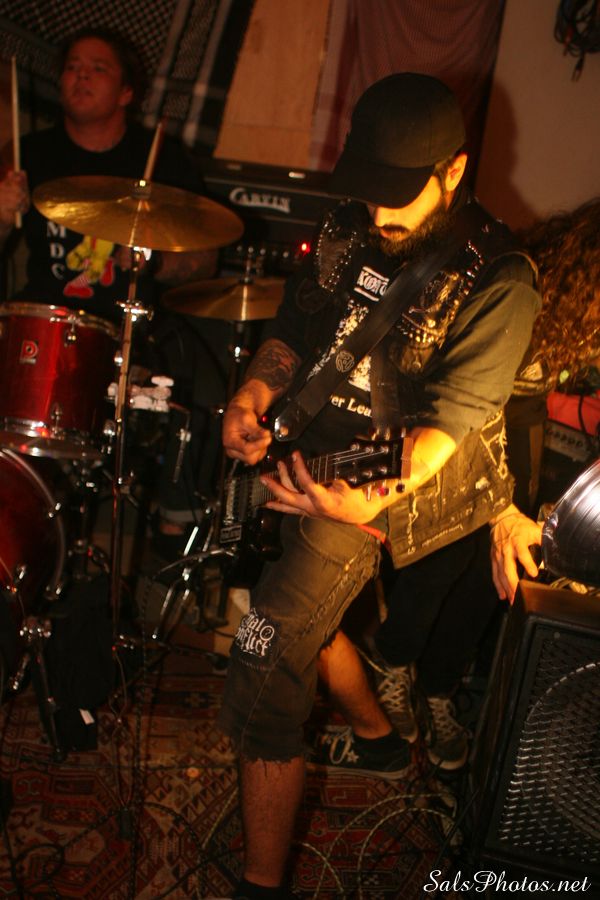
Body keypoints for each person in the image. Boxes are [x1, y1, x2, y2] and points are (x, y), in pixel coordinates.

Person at [217, 73, 541, 899]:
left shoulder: (500, 276)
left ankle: (259, 887)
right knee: (301, 611)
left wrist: (351, 496)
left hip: (394, 475)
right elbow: (295, 330)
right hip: (313, 447)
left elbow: (436, 437)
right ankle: (381, 738)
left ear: (454, 170)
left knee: (263, 654)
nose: (378, 211)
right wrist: (254, 392)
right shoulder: (348, 223)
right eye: (369, 189)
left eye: (399, 193)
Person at [360, 197, 600, 774]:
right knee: (451, 546)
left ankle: (439, 686)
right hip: (458, 411)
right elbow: (461, 397)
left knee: (502, 571)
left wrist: (514, 507)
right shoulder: (516, 282)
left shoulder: (574, 322)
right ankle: (391, 659)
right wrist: (495, 507)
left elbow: (530, 402)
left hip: (519, 413)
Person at [0, 27, 218, 543]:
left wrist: (156, 262)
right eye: (72, 66)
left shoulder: (159, 158)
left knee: (204, 386)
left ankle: (175, 524)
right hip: (45, 324)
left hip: (132, 326)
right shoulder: (27, 153)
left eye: (97, 68)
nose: (81, 76)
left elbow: (206, 258)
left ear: (126, 92)